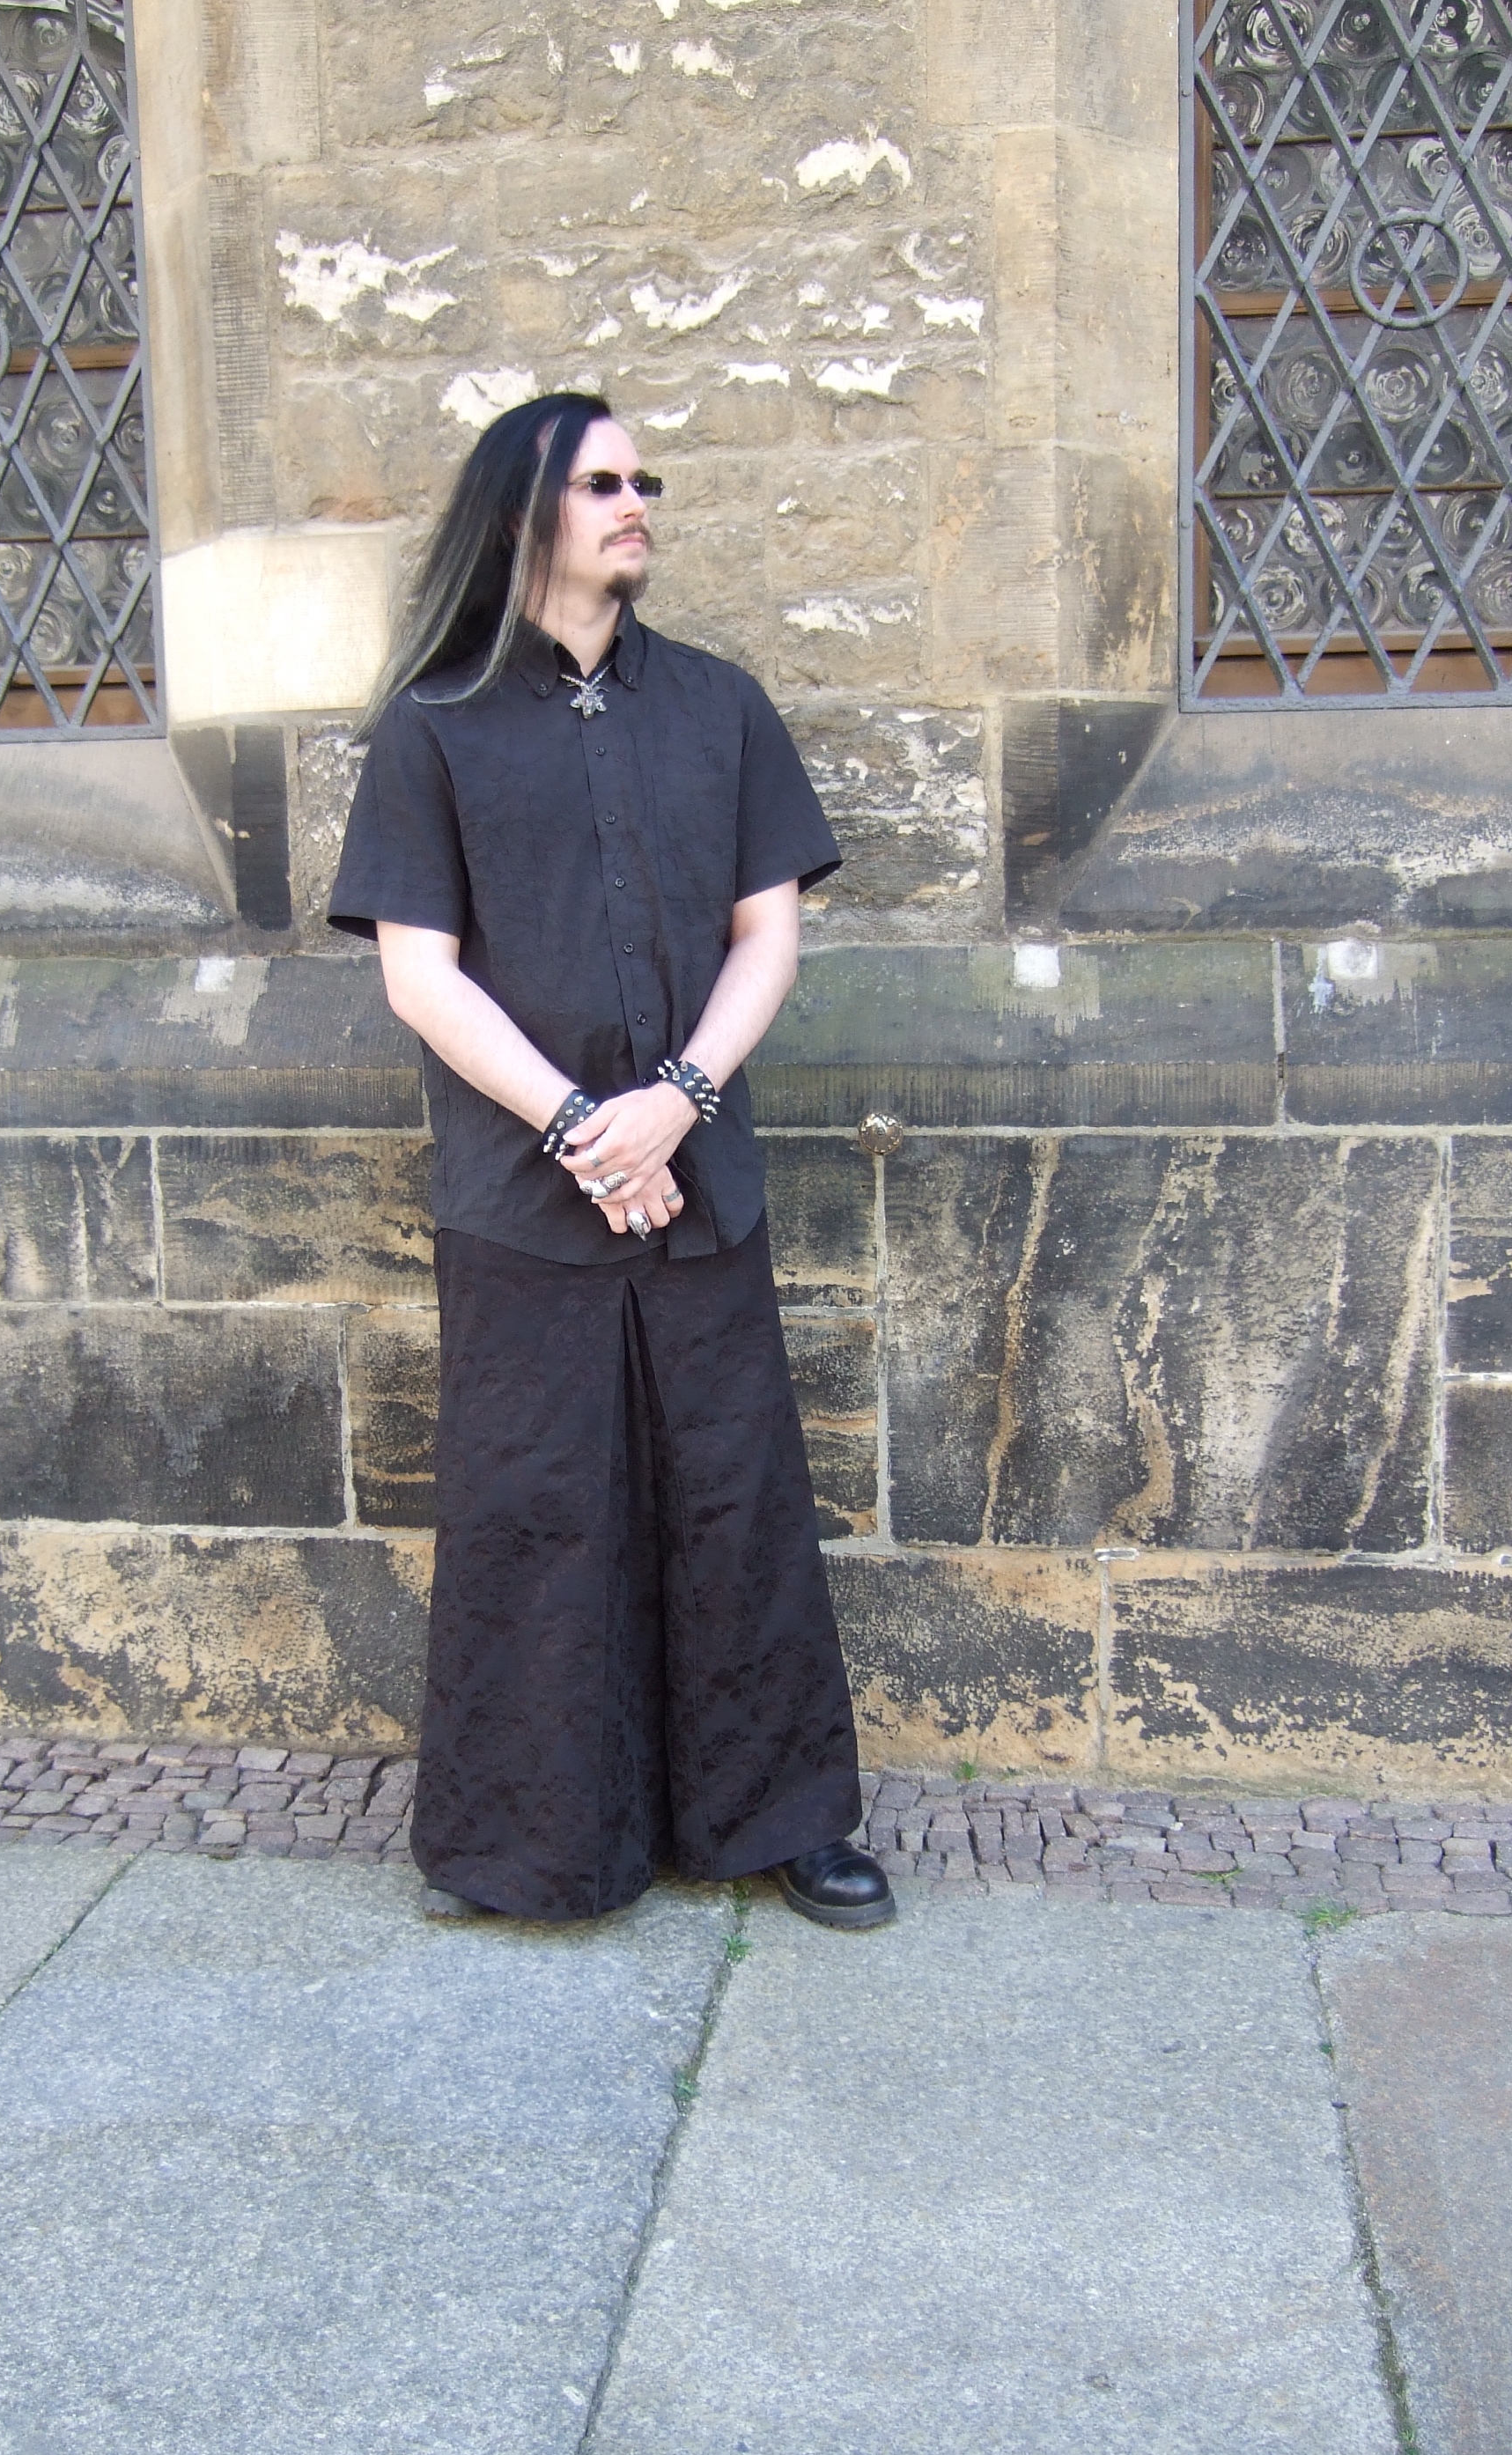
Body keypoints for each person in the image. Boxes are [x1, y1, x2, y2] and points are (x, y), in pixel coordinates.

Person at [328, 390, 894, 1934]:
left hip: (698, 1189)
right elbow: (420, 976)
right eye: (601, 482)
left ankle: (781, 1821)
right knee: (539, 1516)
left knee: (736, 1504)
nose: (635, 501)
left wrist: (677, 1101)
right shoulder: (434, 726)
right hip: (524, 1202)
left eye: (643, 479)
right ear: (523, 513)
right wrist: (588, 1129)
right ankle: (536, 1847)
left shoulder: (719, 705)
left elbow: (768, 936)